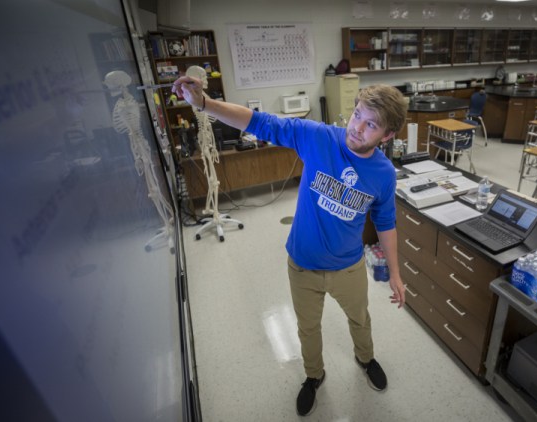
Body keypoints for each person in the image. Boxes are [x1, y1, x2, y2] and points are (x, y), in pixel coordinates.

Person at [172, 77, 407, 416]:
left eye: (371, 125)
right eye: (357, 115)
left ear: (386, 136)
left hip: (348, 267)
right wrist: (205, 104)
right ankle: (314, 375)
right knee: (307, 327)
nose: (357, 127)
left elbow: (386, 222)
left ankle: (365, 358)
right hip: (303, 264)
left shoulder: (384, 173)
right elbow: (260, 122)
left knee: (360, 319)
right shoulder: (319, 138)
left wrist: (396, 274)